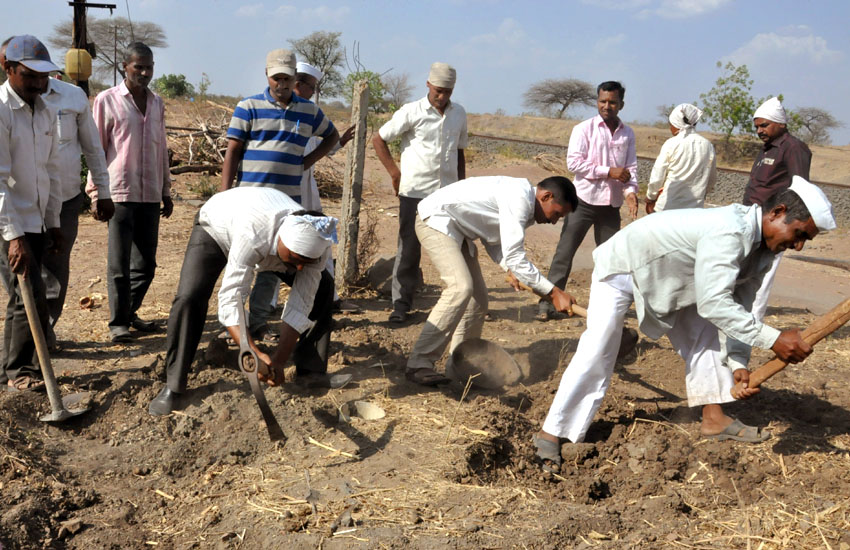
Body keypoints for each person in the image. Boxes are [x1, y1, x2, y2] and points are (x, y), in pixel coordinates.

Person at [534, 178, 836, 471]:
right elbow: (714, 304)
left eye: (804, 240)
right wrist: (773, 339)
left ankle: (714, 418)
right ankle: (553, 432)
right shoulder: (731, 231)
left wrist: (738, 362)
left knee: (705, 334)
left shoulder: (764, 251)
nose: (797, 245)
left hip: (674, 278)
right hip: (625, 265)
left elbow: (741, 309)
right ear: (778, 212)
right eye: (799, 234)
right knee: (600, 347)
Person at [148, 186, 348, 416]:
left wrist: (279, 360)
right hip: (216, 227)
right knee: (189, 297)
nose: (300, 267)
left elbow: (302, 303)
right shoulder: (254, 233)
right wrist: (250, 351)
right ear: (282, 241)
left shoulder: (315, 248)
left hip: (267, 234)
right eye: (296, 259)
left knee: (323, 287)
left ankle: (311, 372)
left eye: (307, 261)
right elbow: (232, 296)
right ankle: (173, 386)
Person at [405, 175, 579, 386]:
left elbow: (494, 239)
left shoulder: (521, 200)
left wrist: (510, 268)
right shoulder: (520, 199)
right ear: (546, 196)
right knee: (461, 287)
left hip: (457, 231)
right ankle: (419, 364)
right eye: (557, 214)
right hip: (436, 220)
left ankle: (460, 369)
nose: (553, 221)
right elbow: (514, 255)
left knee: (478, 302)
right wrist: (553, 293)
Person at [220, 49, 339, 342]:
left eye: (288, 79)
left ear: (295, 79)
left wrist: (306, 162)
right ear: (267, 76)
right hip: (249, 203)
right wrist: (224, 195)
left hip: (287, 207)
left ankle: (258, 322)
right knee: (240, 265)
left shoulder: (308, 111)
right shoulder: (248, 107)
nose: (282, 85)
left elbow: (332, 137)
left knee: (273, 268)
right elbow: (233, 151)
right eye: (277, 79)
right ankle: (233, 327)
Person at [86, 42, 172, 343]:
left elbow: (161, 150)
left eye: (149, 67)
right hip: (118, 192)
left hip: (149, 193)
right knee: (118, 265)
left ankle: (128, 310)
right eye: (139, 67)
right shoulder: (107, 100)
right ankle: (118, 324)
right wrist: (96, 193)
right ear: (125, 66)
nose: (145, 73)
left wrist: (166, 190)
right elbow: (96, 149)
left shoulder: (157, 103)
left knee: (146, 265)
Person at [373, 62, 468, 325]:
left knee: (455, 245)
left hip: (447, 194)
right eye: (438, 90)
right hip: (414, 192)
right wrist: (394, 172)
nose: (443, 96)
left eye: (448, 91)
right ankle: (401, 305)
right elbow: (379, 139)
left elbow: (459, 152)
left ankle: (461, 301)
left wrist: (462, 186)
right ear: (428, 85)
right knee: (409, 248)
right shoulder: (411, 112)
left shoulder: (458, 113)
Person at [538, 81, 638, 322]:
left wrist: (631, 193)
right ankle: (547, 304)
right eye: (602, 101)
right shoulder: (583, 129)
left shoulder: (627, 133)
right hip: (582, 201)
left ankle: (609, 308)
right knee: (564, 253)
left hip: (611, 206)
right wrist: (608, 172)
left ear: (621, 104)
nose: (607, 106)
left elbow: (630, 168)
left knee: (611, 259)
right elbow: (574, 163)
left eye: (612, 102)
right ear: (597, 101)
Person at [0, 35, 62, 390]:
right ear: (9, 69)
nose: (39, 84)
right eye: (30, 76)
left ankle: (9, 371)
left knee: (22, 298)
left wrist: (52, 223)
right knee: (30, 299)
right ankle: (20, 373)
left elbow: (49, 172)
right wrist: (14, 236)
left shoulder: (46, 112)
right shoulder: (2, 110)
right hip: (9, 221)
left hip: (36, 219)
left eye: (44, 77)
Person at [40, 74, 114, 350]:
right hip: (22, 202)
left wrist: (102, 192)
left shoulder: (72, 97)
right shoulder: (5, 101)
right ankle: (25, 345)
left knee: (55, 273)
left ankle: (44, 334)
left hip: (65, 200)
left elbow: (93, 148)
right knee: (21, 277)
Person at [293, 61, 357, 313]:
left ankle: (330, 299)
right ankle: (269, 305)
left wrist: (338, 142)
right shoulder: (285, 112)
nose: (313, 92)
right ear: (298, 85)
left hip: (308, 192)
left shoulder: (309, 112)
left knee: (321, 241)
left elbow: (317, 149)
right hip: (287, 192)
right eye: (311, 87)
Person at [744, 96, 813, 320]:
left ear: (781, 123)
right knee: (746, 270)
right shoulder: (768, 149)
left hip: (774, 224)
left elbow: (801, 188)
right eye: (756, 126)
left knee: (764, 272)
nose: (759, 131)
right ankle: (740, 317)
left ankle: (753, 322)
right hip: (751, 219)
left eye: (764, 125)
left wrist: (798, 227)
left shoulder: (793, 148)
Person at [645, 103, 716, 213]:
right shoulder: (708, 145)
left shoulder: (671, 143)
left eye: (671, 124)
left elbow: (657, 176)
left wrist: (650, 197)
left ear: (677, 124)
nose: (670, 128)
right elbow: (711, 180)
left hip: (666, 208)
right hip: (693, 211)